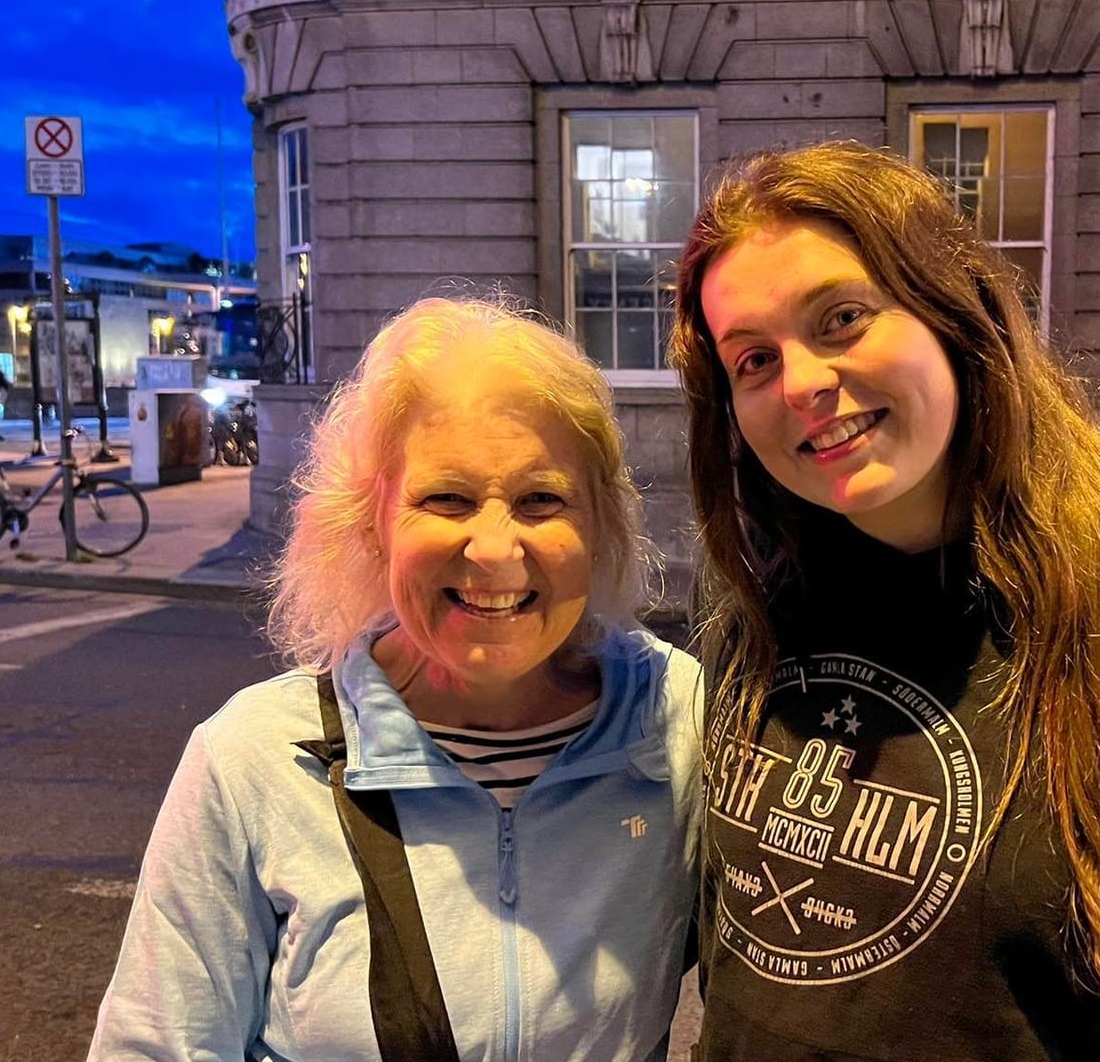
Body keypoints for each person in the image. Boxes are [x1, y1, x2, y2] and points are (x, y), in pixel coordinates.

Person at [668, 143, 1100, 1059]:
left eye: (842, 318)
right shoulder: (754, 605)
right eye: (753, 360)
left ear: (953, 315)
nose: (802, 381)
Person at [89, 298, 703, 1061]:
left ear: (599, 525)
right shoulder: (251, 759)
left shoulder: (679, 723)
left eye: (541, 499)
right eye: (445, 498)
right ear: (370, 520)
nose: (494, 550)